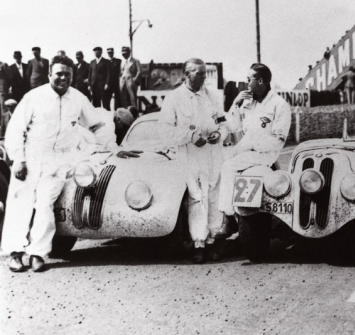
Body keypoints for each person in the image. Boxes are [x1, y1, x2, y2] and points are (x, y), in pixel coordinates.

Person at [1, 55, 138, 273]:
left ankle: (38, 253)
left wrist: (111, 150)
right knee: (20, 203)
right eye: (59, 74)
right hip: (31, 157)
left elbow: (98, 125)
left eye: (68, 75)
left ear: (72, 76)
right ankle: (15, 254)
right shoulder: (33, 97)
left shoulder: (78, 99)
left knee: (45, 205)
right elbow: (16, 129)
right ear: (49, 75)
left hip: (59, 161)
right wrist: (18, 158)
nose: (63, 78)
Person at [158, 58, 237, 264]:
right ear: (187, 74)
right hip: (190, 154)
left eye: (204, 73)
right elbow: (165, 130)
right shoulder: (174, 98)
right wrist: (190, 137)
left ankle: (214, 241)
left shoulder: (212, 96)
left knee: (214, 196)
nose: (203, 77)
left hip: (213, 153)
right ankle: (199, 244)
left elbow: (222, 122)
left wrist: (220, 134)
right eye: (199, 73)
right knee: (197, 198)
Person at [218, 63, 291, 238]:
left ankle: (228, 218)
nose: (246, 83)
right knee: (223, 165)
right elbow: (233, 126)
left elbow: (278, 141)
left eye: (248, 79)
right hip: (247, 152)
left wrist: (251, 143)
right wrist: (235, 104)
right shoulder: (247, 103)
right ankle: (237, 213)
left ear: (260, 81)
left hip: (266, 153)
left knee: (228, 167)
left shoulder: (279, 105)